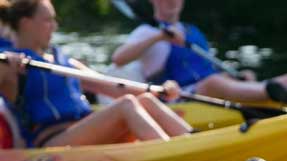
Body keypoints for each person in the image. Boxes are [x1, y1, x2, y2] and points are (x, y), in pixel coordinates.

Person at [0, 0, 192, 148]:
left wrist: (159, 90)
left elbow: (113, 86)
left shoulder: (66, 63)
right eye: (47, 20)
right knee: (126, 104)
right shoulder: (10, 66)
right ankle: (169, 152)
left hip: (86, 130)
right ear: (26, 23)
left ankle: (192, 140)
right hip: (52, 141)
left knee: (146, 100)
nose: (54, 26)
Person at [111, 0, 287, 104]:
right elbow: (118, 59)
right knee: (213, 83)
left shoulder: (191, 30)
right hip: (181, 96)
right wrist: (159, 37)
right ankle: (269, 92)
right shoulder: (147, 31)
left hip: (214, 88)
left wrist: (236, 77)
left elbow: (210, 68)